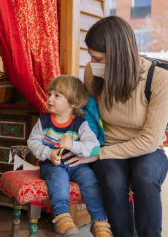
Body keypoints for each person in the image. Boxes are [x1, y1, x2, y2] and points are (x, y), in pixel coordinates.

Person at [62, 16, 168, 237]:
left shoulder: (159, 78)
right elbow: (89, 118)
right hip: (107, 145)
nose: (93, 63)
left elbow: (150, 140)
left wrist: (99, 154)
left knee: (146, 177)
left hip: (147, 149)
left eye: (99, 58)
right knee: (112, 181)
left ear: (118, 57)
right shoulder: (93, 73)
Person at [28, 76, 112, 237]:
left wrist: (73, 145)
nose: (50, 99)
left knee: (90, 181)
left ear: (73, 102)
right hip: (52, 165)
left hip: (77, 165)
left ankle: (99, 221)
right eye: (49, 94)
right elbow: (32, 143)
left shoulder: (81, 123)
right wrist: (48, 153)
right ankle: (62, 218)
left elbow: (94, 148)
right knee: (58, 178)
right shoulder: (43, 121)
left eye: (57, 95)